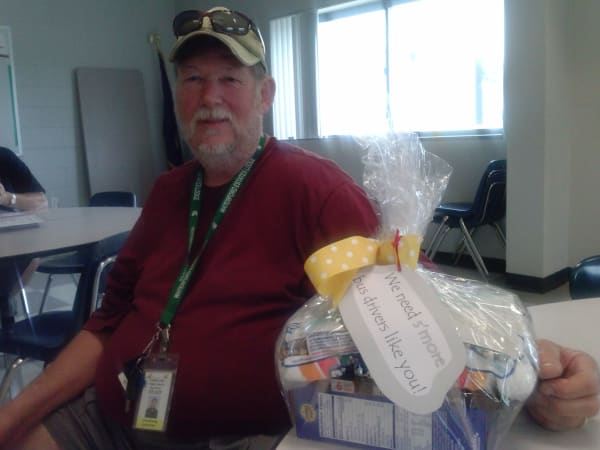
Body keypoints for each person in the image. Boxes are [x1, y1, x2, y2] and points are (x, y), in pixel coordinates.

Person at [0, 6, 596, 450]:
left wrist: (535, 368)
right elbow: (106, 323)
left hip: (232, 437)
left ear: (265, 95)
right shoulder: (167, 192)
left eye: (230, 79)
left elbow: (413, 296)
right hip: (111, 415)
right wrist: (14, 416)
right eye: (193, 79)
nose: (210, 98)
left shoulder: (311, 187)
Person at [0, 146, 48, 330]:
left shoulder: (4, 157)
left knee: (32, 255)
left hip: (11, 242)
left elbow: (41, 202)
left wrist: (7, 198)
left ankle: (5, 299)